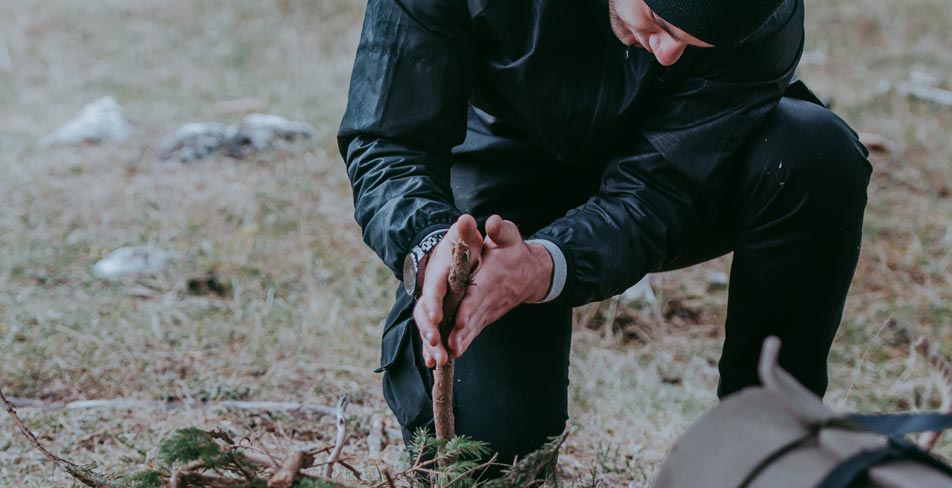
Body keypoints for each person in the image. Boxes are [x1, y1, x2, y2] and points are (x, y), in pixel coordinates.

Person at [337, 0, 872, 462]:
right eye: (659, 22)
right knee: (487, 450)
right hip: (502, 166)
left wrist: (544, 265)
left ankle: (768, 448)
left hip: (673, 159)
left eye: (691, 44)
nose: (665, 53)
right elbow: (388, 136)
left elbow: (656, 193)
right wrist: (431, 246)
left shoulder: (766, 17)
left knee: (814, 154)